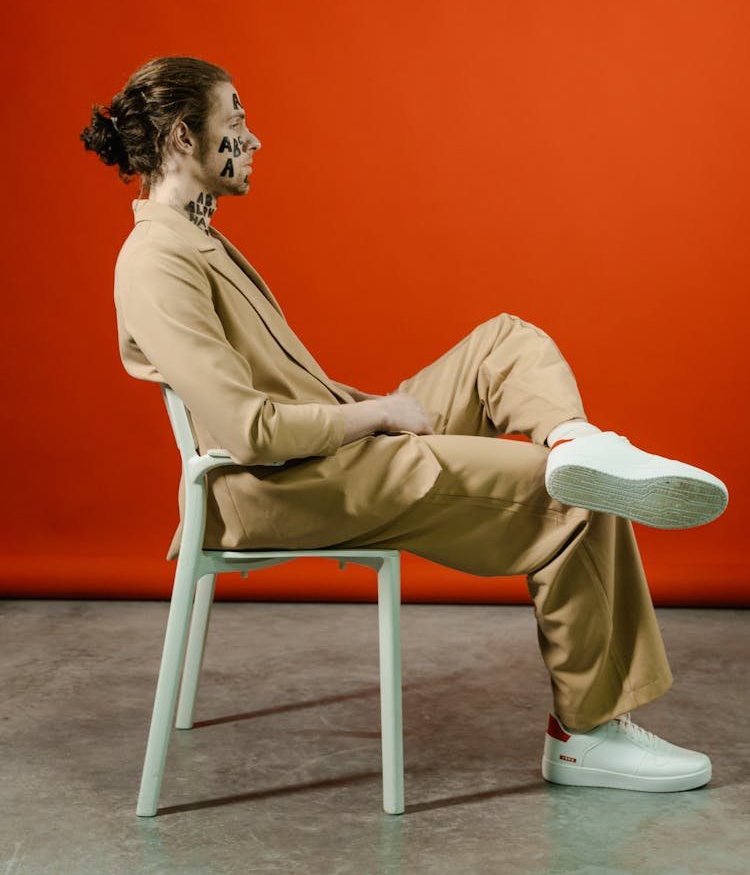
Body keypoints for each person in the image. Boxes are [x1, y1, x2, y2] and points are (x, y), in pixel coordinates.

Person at [82, 55, 728, 793]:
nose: (253, 140)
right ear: (179, 140)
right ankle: (584, 733)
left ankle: (576, 437)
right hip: (286, 484)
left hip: (327, 453)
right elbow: (249, 430)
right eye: (236, 124)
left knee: (505, 342)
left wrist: (372, 414)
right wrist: (378, 414)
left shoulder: (196, 240)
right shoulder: (155, 260)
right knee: (574, 497)